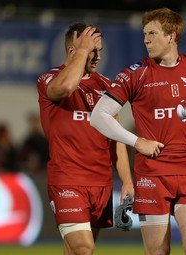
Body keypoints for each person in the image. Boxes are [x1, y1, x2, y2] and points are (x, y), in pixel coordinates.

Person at [90, 8, 186, 255]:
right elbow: (99, 116)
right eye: (144, 33)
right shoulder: (134, 73)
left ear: (171, 35)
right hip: (152, 177)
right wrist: (136, 141)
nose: (145, 39)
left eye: (152, 33)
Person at [36, 23, 133, 255]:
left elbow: (115, 137)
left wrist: (127, 181)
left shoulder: (107, 86)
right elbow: (67, 86)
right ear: (73, 51)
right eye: (92, 50)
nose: (98, 56)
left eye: (99, 50)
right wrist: (81, 52)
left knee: (74, 251)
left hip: (101, 184)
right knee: (84, 249)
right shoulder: (49, 79)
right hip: (67, 180)